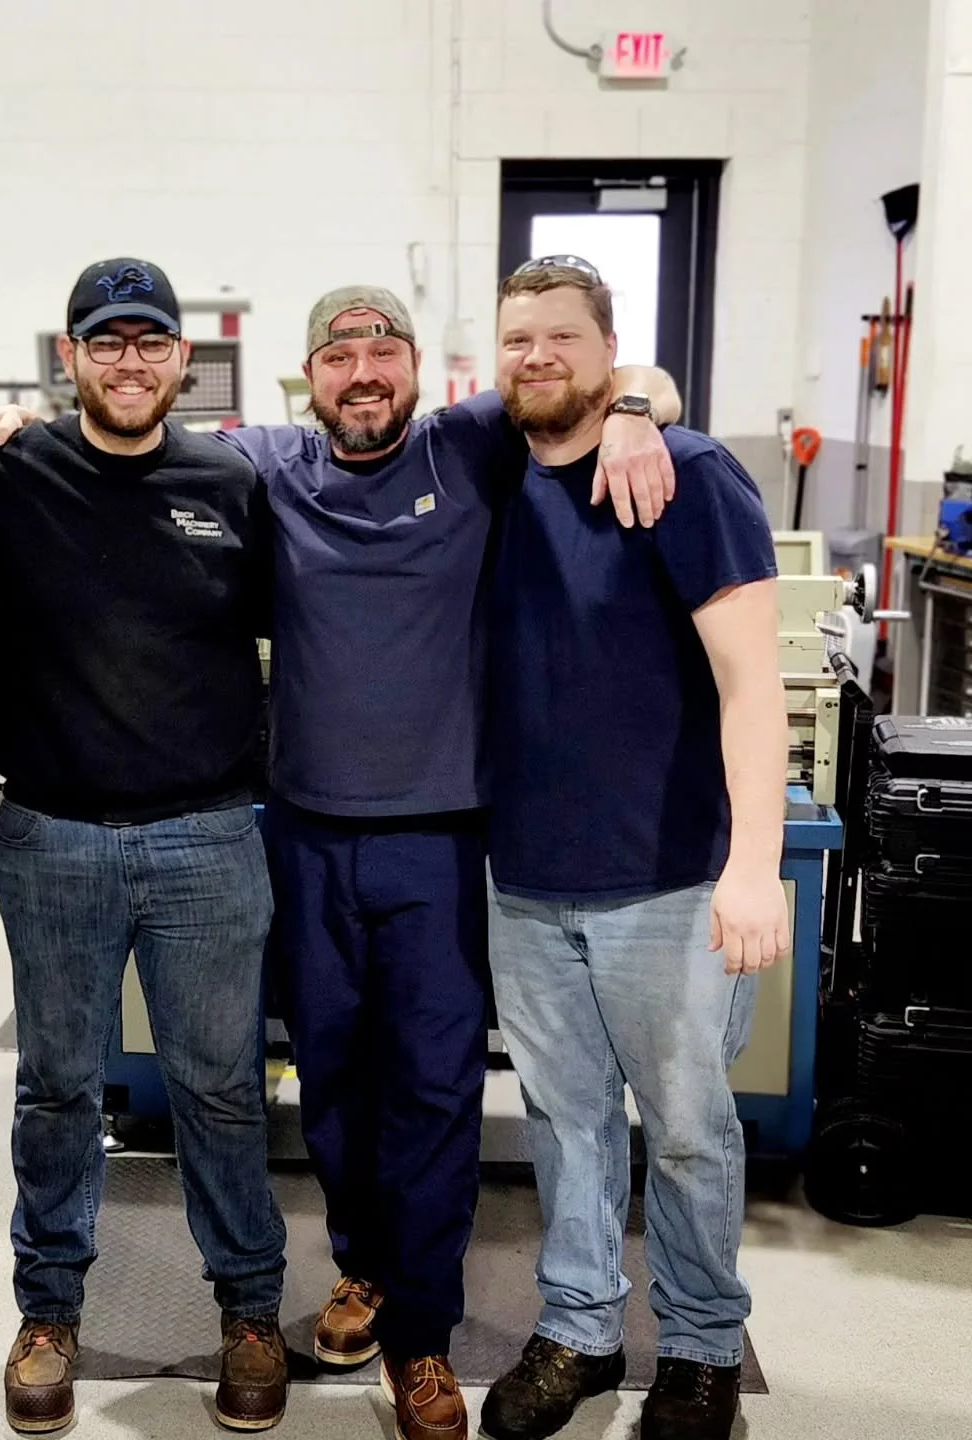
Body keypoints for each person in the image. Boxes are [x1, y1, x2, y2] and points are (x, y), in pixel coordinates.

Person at [0, 275, 682, 1440]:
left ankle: (423, 1336)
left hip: (440, 840)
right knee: (328, 1084)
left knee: (434, 1090)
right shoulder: (265, 466)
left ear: (419, 371)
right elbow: (128, 440)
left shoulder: (469, 443)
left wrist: (639, 408)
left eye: (383, 353)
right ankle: (362, 1269)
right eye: (339, 359)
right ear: (310, 378)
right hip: (297, 834)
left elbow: (593, 379)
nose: (363, 375)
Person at [0, 258, 290, 1436]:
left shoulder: (229, 482)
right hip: (53, 841)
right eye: (105, 341)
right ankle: (48, 1314)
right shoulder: (6, 473)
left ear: (182, 359)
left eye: (150, 341)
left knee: (222, 1090)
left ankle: (247, 1309)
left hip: (207, 841)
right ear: (68, 359)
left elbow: (300, 634)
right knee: (57, 1090)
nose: (129, 360)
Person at [478, 258, 787, 1440]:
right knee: (563, 1120)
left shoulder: (689, 474)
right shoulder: (495, 469)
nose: (538, 355)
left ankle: (704, 1350)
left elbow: (751, 683)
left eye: (564, 335)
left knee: (693, 1130)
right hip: (528, 877)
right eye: (518, 339)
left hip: (666, 877)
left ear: (607, 350)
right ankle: (580, 1332)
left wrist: (752, 865)